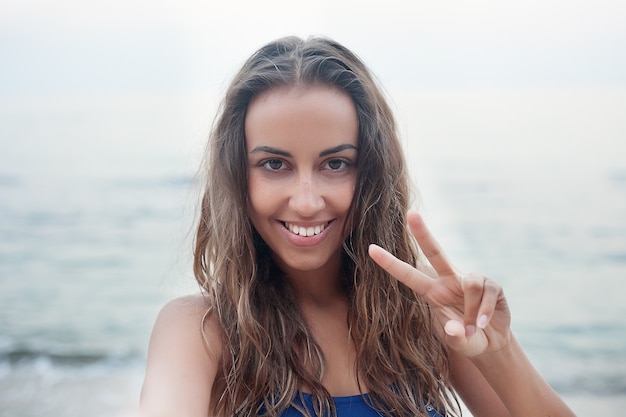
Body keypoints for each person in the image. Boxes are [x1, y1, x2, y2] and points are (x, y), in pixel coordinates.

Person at [138, 36, 576, 417]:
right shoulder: (202, 330)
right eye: (274, 164)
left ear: (370, 173)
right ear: (237, 175)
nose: (307, 201)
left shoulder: (423, 312)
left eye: (336, 163)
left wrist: (499, 353)